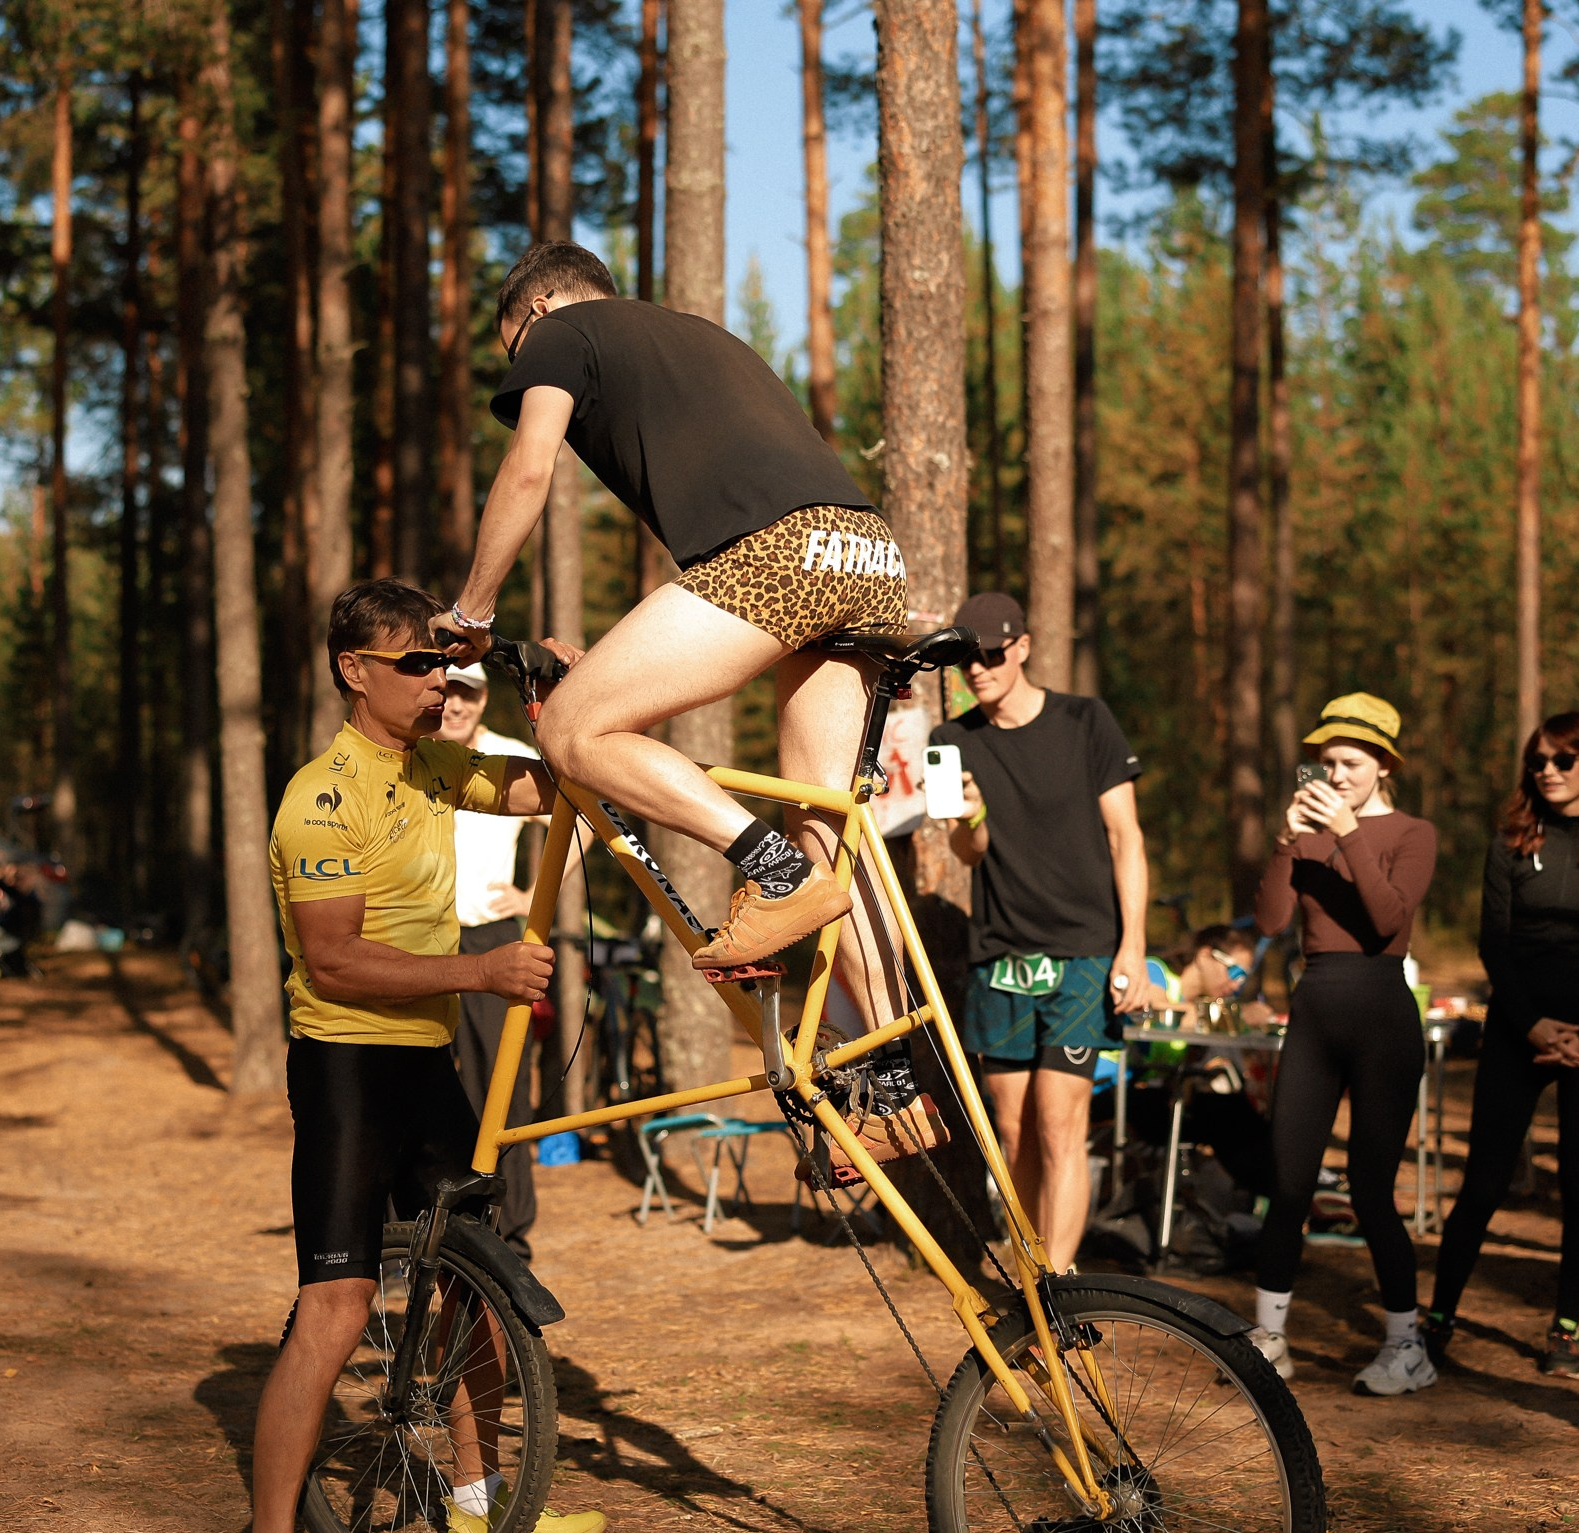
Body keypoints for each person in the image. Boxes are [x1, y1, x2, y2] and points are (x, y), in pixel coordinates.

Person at [243, 580, 602, 1533]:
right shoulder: (322, 792)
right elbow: (334, 961)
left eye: (442, 663)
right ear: (355, 671)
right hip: (351, 1067)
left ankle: (479, 1513)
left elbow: (556, 788)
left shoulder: (436, 768)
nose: (439, 680)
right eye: (415, 664)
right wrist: (480, 974)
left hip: (430, 1063)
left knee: (472, 1283)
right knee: (338, 1304)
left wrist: (575, 703)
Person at [445, 240, 911, 1013]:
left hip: (781, 553)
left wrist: (473, 612)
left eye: (513, 354)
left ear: (538, 309)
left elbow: (529, 468)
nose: (522, 370)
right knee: (824, 822)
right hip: (866, 553)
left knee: (570, 730)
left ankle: (776, 873)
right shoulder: (697, 335)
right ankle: (897, 1079)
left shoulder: (562, 331)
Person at [1426, 713, 1579, 1380]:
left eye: (1563, 760)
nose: (1548, 772)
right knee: (1485, 1181)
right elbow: (1493, 945)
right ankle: (1438, 1317)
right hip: (1516, 1030)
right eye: (1539, 762)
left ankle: (1567, 1328)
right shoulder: (1509, 843)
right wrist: (1531, 1027)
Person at [932, 591, 1148, 1267]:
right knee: (1014, 1132)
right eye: (967, 657)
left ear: (1023, 647)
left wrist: (1134, 948)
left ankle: (1058, 1283)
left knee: (1060, 1126)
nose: (978, 668)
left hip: (1085, 950)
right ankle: (1030, 1277)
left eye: (992, 654)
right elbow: (964, 854)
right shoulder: (948, 742)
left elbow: (1126, 839)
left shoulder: (1087, 721)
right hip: (999, 953)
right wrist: (969, 819)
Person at [1246, 694, 1439, 1395]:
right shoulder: (1310, 833)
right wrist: (1284, 843)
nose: (1335, 775)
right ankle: (1269, 1337)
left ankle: (1405, 1345)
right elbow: (1269, 918)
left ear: (1384, 765)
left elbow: (1389, 921)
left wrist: (1350, 831)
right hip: (1315, 1011)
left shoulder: (1413, 832)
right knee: (1289, 1181)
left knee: (1370, 1190)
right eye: (1325, 763)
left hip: (1382, 1013)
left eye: (1350, 763)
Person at [441, 659, 543, 1259]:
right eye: (447, 690)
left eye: (468, 694)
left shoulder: (507, 758)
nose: (455, 704)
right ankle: (417, 1234)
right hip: (423, 943)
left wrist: (530, 896)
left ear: (482, 701)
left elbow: (577, 822)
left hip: (494, 938)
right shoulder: (415, 758)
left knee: (502, 1092)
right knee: (421, 1085)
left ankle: (509, 1237)